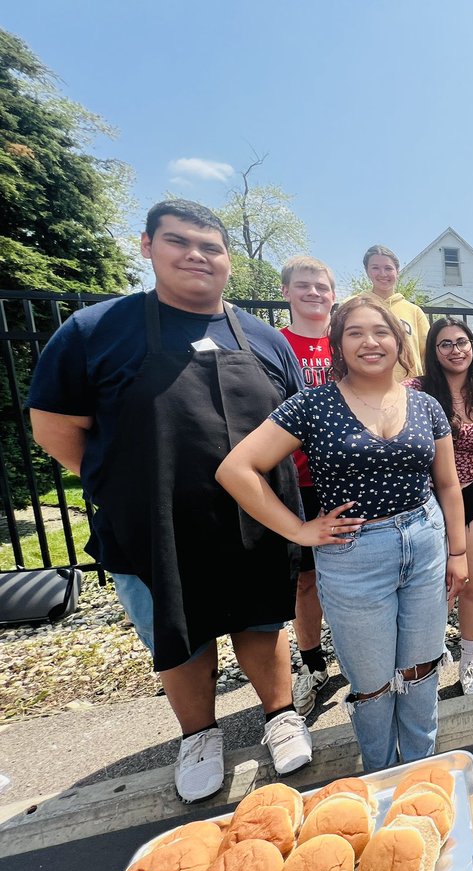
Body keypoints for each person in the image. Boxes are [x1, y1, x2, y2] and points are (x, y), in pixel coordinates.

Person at [28, 199, 313, 802]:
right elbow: (54, 427)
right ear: (147, 246)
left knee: (262, 622)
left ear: (228, 261)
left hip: (256, 517)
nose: (196, 256)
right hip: (153, 524)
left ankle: (280, 713)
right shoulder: (93, 332)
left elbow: (292, 422)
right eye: (179, 242)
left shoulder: (262, 338)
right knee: (178, 635)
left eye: (210, 247)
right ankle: (199, 735)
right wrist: (120, 483)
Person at [217, 295, 467, 772]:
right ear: (337, 344)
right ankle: (380, 772)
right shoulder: (314, 404)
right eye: (355, 333)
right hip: (354, 554)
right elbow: (238, 468)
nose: (370, 342)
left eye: (381, 332)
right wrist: (299, 529)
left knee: (420, 669)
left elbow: (448, 483)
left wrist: (459, 552)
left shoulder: (426, 404)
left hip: (425, 541)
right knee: (371, 680)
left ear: (398, 340)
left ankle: (421, 768)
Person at [406, 318, 473, 694]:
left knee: (472, 586)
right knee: (432, 588)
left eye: (461, 342)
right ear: (433, 351)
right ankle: (428, 658)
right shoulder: (415, 391)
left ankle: (469, 660)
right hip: (429, 500)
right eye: (445, 344)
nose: (455, 350)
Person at [277, 256, 336, 717]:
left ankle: (363, 656)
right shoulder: (274, 345)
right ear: (286, 292)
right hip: (295, 480)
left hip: (349, 476)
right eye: (304, 286)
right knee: (306, 580)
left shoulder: (350, 340)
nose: (314, 293)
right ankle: (313, 662)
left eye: (321, 286)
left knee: (359, 570)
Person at [361, 244, 428, 376]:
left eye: (388, 268)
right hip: (366, 387)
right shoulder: (353, 306)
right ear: (367, 271)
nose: (383, 274)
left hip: (409, 389)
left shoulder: (414, 312)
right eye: (375, 268)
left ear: (397, 271)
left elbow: (427, 354)